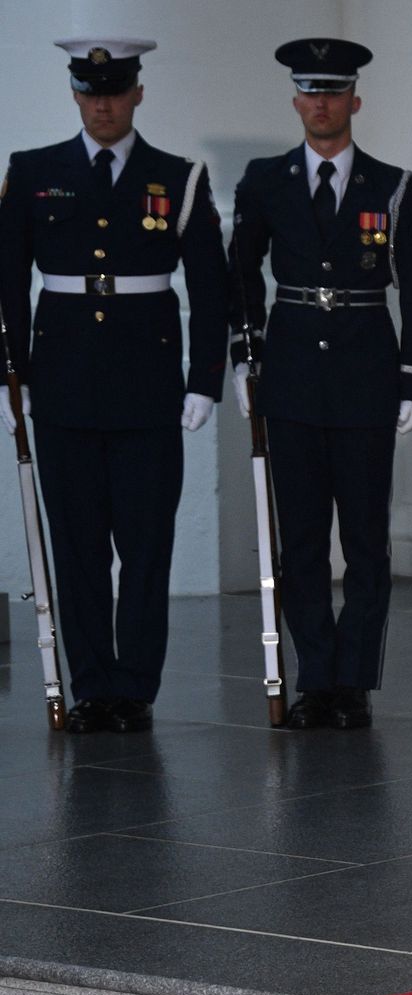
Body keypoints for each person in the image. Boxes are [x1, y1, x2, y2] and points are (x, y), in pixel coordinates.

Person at [0, 37, 227, 734]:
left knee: (146, 541)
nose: (102, 102)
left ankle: (135, 688)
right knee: (77, 546)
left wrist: (203, 381)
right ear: (75, 94)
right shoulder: (33, 171)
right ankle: (93, 683)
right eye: (90, 90)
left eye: (115, 89)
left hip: (149, 384)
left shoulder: (177, 175)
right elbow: (9, 280)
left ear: (137, 93)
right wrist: (16, 371)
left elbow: (211, 286)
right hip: (63, 380)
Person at [228, 39, 412, 730]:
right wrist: (244, 358)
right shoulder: (263, 180)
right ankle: (315, 675)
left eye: (333, 91)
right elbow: (240, 276)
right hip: (289, 375)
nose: (321, 103)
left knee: (368, 538)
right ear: (296, 101)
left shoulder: (394, 185)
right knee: (304, 538)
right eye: (310, 92)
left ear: (354, 100)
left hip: (366, 376)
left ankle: (354, 680)